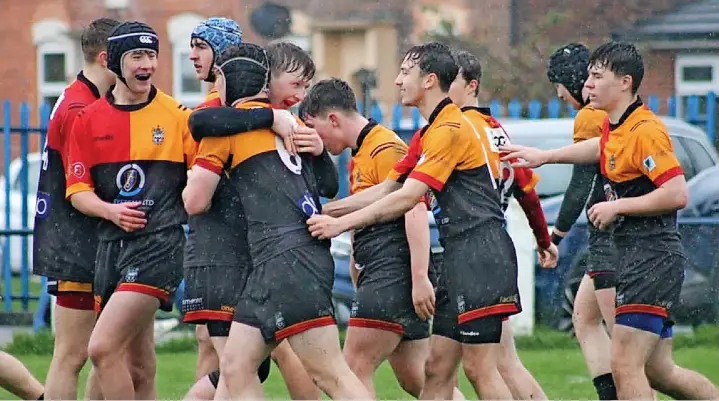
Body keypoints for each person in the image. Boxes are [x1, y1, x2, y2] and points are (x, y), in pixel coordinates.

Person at [500, 41, 719, 400]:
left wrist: (619, 207)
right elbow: (598, 149)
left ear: (624, 82)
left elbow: (677, 193)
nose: (587, 84)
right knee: (660, 372)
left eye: (597, 76)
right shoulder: (615, 127)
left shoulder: (646, 131)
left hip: (650, 259)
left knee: (625, 365)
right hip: (634, 255)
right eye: (588, 76)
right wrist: (546, 156)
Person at [307, 42, 520, 400]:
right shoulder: (426, 133)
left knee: (480, 369)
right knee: (435, 371)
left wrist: (338, 226)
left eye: (406, 72)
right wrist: (325, 213)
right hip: (456, 257)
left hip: (481, 255)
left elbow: (407, 200)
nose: (397, 81)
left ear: (430, 80)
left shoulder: (450, 128)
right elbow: (387, 187)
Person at [184, 43, 368, 400]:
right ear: (265, 82)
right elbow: (327, 187)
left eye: (217, 78)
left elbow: (194, 201)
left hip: (286, 259)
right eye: (296, 85)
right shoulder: (286, 123)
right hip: (275, 264)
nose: (300, 95)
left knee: (330, 375)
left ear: (225, 78)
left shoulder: (229, 129)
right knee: (236, 368)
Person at [65, 21, 196, 400]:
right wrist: (110, 211)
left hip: (159, 247)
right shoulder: (88, 120)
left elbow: (206, 174)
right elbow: (77, 190)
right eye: (138, 55)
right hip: (110, 248)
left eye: (152, 54)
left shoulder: (177, 116)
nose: (148, 64)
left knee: (102, 348)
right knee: (138, 365)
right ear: (116, 62)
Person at [418, 48, 554, 400]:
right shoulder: (497, 131)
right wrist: (543, 240)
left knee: (488, 367)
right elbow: (526, 192)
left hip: (476, 252)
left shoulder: (457, 128)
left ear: (471, 86)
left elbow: (414, 191)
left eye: (452, 82)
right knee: (480, 364)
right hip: (486, 247)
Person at [302, 77, 443, 398]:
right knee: (417, 378)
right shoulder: (364, 151)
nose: (315, 139)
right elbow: (370, 213)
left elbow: (414, 209)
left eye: (314, 128)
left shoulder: (386, 147)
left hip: (391, 275)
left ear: (333, 119)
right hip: (384, 275)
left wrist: (420, 277)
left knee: (352, 370)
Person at [178, 17, 275, 398]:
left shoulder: (229, 115)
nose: (191, 56)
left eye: (201, 47)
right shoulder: (218, 116)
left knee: (240, 364)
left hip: (232, 252)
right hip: (218, 249)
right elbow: (199, 125)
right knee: (234, 362)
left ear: (223, 60)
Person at [31, 17, 121, 400]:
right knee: (71, 355)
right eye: (130, 55)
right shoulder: (79, 109)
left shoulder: (82, 99)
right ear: (106, 58)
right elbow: (81, 186)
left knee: (104, 352)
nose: (140, 65)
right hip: (77, 244)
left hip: (86, 242)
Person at [546, 42, 618, 400]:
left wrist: (555, 235)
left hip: (612, 237)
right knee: (585, 317)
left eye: (558, 86)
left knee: (638, 355)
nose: (560, 94)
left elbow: (582, 180)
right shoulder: (614, 111)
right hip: (620, 234)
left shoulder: (591, 115)